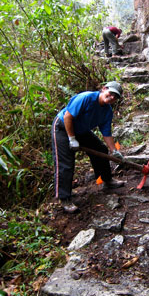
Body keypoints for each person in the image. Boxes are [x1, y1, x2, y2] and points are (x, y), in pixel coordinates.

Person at [51, 81, 125, 213]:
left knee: (101, 149)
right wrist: (72, 139)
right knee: (65, 164)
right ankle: (64, 198)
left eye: (116, 96)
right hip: (63, 127)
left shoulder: (107, 111)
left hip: (81, 130)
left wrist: (114, 151)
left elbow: (106, 133)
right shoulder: (86, 98)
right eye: (111, 93)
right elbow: (68, 117)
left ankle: (106, 180)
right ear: (103, 89)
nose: (112, 97)